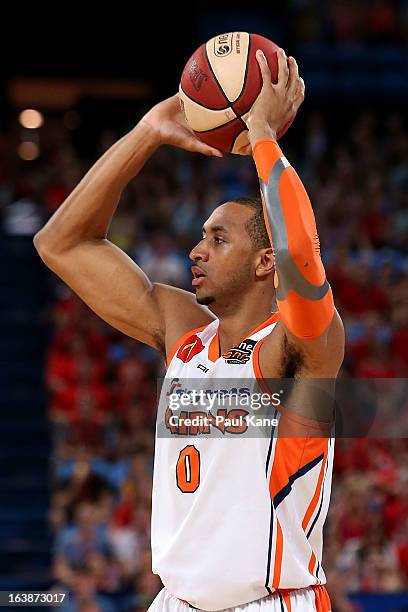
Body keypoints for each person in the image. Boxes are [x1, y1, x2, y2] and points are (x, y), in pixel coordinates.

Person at [35, 49, 344, 611]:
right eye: (202, 235)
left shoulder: (297, 349)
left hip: (271, 601)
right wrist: (146, 133)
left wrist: (263, 135)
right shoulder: (184, 335)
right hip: (176, 600)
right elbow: (61, 243)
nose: (196, 249)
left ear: (265, 261)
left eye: (219, 239)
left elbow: (303, 252)